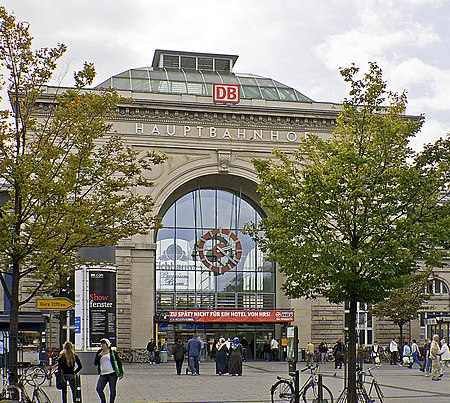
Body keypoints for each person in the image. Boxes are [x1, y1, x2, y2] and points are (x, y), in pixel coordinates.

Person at [94, 338, 124, 403]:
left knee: (112, 390)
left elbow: (118, 362)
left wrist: (121, 373)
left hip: (112, 374)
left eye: (104, 345)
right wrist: (99, 356)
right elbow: (95, 363)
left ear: (107, 345)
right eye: (101, 345)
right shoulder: (99, 352)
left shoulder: (112, 352)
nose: (102, 346)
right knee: (99, 389)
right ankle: (103, 401)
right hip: (103, 374)